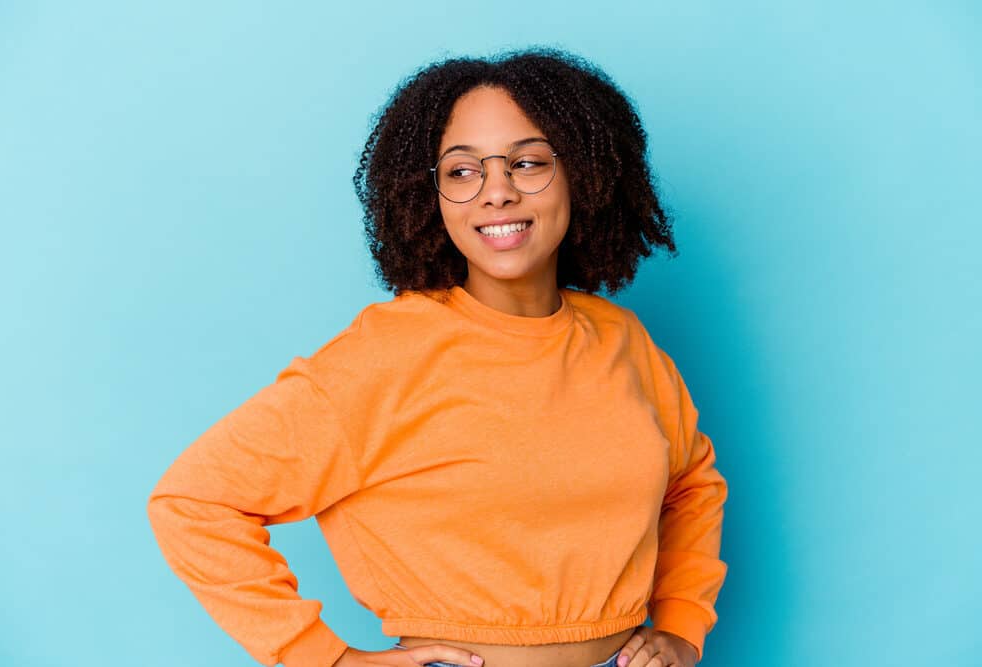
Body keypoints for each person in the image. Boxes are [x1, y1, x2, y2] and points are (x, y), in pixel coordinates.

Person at [147, 48, 728, 667]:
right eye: (462, 171)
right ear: (430, 196)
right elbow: (193, 502)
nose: (496, 193)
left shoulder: (623, 340)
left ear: (581, 174)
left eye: (527, 162)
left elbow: (691, 483)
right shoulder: (386, 355)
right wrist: (324, 658)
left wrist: (683, 625)